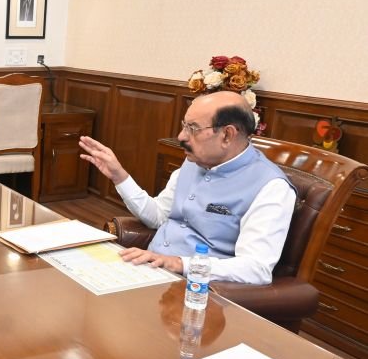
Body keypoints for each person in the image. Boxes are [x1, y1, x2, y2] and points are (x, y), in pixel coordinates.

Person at [78, 90, 296, 285]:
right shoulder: (194, 161)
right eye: (184, 126)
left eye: (193, 129)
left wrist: (179, 263)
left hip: (198, 290)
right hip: (148, 271)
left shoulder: (271, 187)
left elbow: (256, 268)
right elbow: (158, 216)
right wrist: (119, 176)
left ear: (227, 135)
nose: (181, 136)